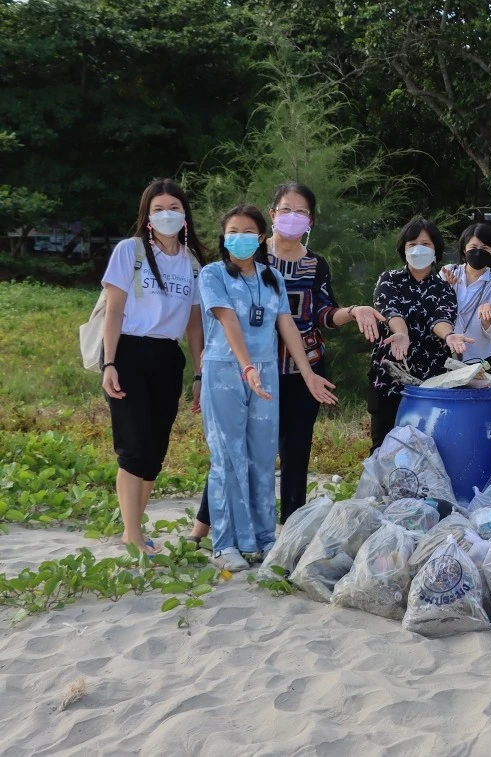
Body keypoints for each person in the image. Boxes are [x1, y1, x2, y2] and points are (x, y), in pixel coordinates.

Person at [186, 183, 385, 541]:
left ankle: (290, 531)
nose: (293, 217)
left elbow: (324, 312)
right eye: (286, 210)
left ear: (310, 220)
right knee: (236, 448)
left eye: (302, 212)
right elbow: (222, 315)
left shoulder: (314, 264)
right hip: (252, 368)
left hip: (301, 370)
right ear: (272, 214)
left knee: (295, 452)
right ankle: (203, 526)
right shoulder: (250, 257)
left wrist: (353, 311)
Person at [200, 204, 338, 572]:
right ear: (224, 235)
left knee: (262, 457)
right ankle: (225, 542)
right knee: (227, 457)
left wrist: (308, 374)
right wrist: (246, 365)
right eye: (233, 231)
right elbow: (228, 321)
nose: (240, 238)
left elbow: (286, 326)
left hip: (266, 372)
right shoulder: (212, 274)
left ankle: (263, 538)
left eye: (248, 232)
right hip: (226, 370)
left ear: (261, 237)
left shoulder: (270, 277)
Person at [100, 179, 207, 555]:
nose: (167, 215)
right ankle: (131, 535)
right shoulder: (130, 252)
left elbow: (195, 324)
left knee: (154, 450)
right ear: (147, 215)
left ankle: (136, 530)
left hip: (166, 356)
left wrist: (198, 372)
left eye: (174, 208)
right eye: (158, 209)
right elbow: (113, 311)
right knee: (133, 445)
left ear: (185, 214)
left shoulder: (193, 264)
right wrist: (109, 362)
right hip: (128, 351)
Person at [368, 217, 472, 452]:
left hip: (430, 381)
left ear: (436, 250)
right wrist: (402, 333)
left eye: (425, 244)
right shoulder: (388, 280)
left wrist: (449, 336)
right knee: (384, 446)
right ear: (403, 249)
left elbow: (441, 318)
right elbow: (390, 310)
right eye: (412, 243)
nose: (418, 249)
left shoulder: (444, 288)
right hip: (389, 378)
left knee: (427, 448)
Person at [439, 222, 491, 373]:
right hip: (445, 357)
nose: (478, 252)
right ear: (464, 249)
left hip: (480, 362)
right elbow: (434, 312)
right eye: (473, 247)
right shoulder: (448, 272)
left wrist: (488, 321)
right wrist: (445, 288)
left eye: (485, 248)